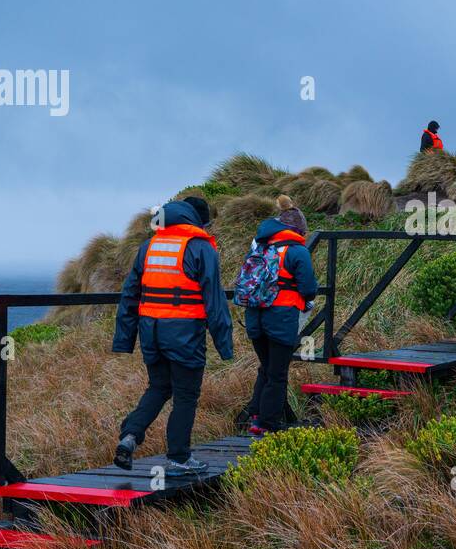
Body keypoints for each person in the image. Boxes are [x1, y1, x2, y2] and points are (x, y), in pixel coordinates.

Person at [112, 197, 233, 475]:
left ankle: (130, 436)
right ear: (198, 221)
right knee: (185, 396)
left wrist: (124, 339)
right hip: (184, 336)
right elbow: (214, 302)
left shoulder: (148, 247)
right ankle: (179, 458)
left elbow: (129, 295)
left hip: (150, 334)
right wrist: (224, 345)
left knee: (158, 387)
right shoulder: (201, 247)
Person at [240, 196, 319, 436]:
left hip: (255, 319)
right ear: (298, 229)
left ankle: (255, 415)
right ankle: (268, 424)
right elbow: (308, 289)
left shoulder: (260, 247)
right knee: (277, 374)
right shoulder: (296, 251)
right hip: (281, 321)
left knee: (266, 368)